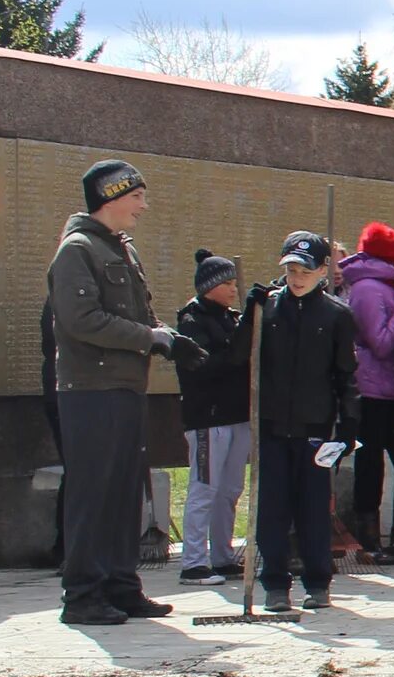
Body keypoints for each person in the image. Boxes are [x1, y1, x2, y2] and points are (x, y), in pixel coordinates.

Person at [49, 160, 200, 624]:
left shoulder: (121, 251)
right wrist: (150, 338)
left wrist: (167, 337)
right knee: (94, 492)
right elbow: (82, 321)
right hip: (91, 392)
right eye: (136, 197)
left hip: (123, 387)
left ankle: (119, 584)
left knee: (122, 493)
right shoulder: (77, 251)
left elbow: (135, 316)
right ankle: (83, 596)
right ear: (111, 197)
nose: (143, 206)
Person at [248, 233, 360, 611]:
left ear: (323, 271)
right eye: (291, 270)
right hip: (272, 426)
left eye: (306, 270)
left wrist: (348, 425)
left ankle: (318, 581)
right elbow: (238, 359)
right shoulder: (268, 309)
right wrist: (249, 314)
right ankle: (275, 584)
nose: (297, 278)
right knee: (272, 509)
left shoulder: (336, 315)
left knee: (314, 509)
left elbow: (346, 375)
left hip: (316, 429)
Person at [171, 251, 250, 588]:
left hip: (237, 414)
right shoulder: (192, 322)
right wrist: (237, 347)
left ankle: (222, 555)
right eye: (227, 284)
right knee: (204, 487)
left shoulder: (230, 318)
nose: (234, 290)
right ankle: (193, 562)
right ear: (209, 287)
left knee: (230, 490)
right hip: (208, 419)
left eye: (235, 283)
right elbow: (205, 367)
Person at [339, 224, 394, 560]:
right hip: (373, 391)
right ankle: (369, 541)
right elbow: (382, 343)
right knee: (372, 465)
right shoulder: (370, 289)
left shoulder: (385, 285)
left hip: (393, 390)